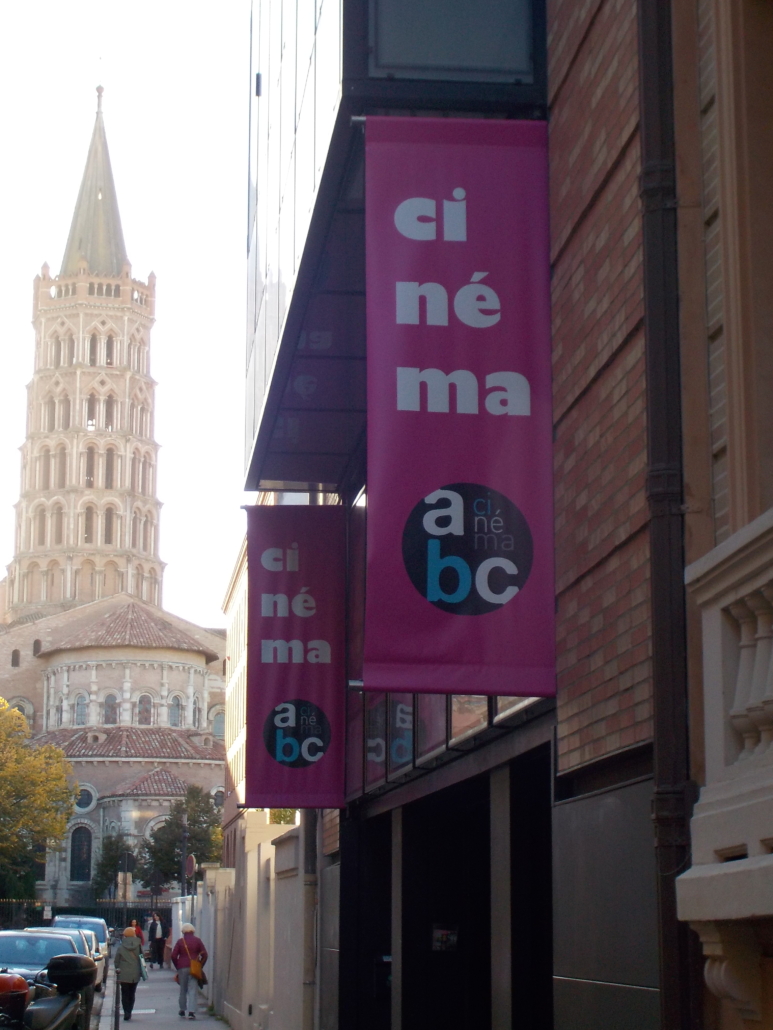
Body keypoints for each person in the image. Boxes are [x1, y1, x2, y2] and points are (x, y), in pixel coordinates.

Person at [171, 922, 208, 1020]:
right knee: (193, 989)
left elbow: (173, 956)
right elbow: (205, 954)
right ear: (193, 931)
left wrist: (178, 966)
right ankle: (191, 1012)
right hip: (193, 968)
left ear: (183, 931)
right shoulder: (197, 941)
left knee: (183, 989)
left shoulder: (180, 941)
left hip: (182, 967)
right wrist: (200, 965)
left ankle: (182, 1009)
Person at [113, 927, 142, 1022]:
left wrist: (118, 967)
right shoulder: (138, 945)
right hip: (135, 972)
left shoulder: (121, 947)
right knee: (132, 993)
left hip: (124, 973)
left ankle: (126, 1012)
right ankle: (130, 1010)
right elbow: (141, 958)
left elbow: (116, 961)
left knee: (124, 993)